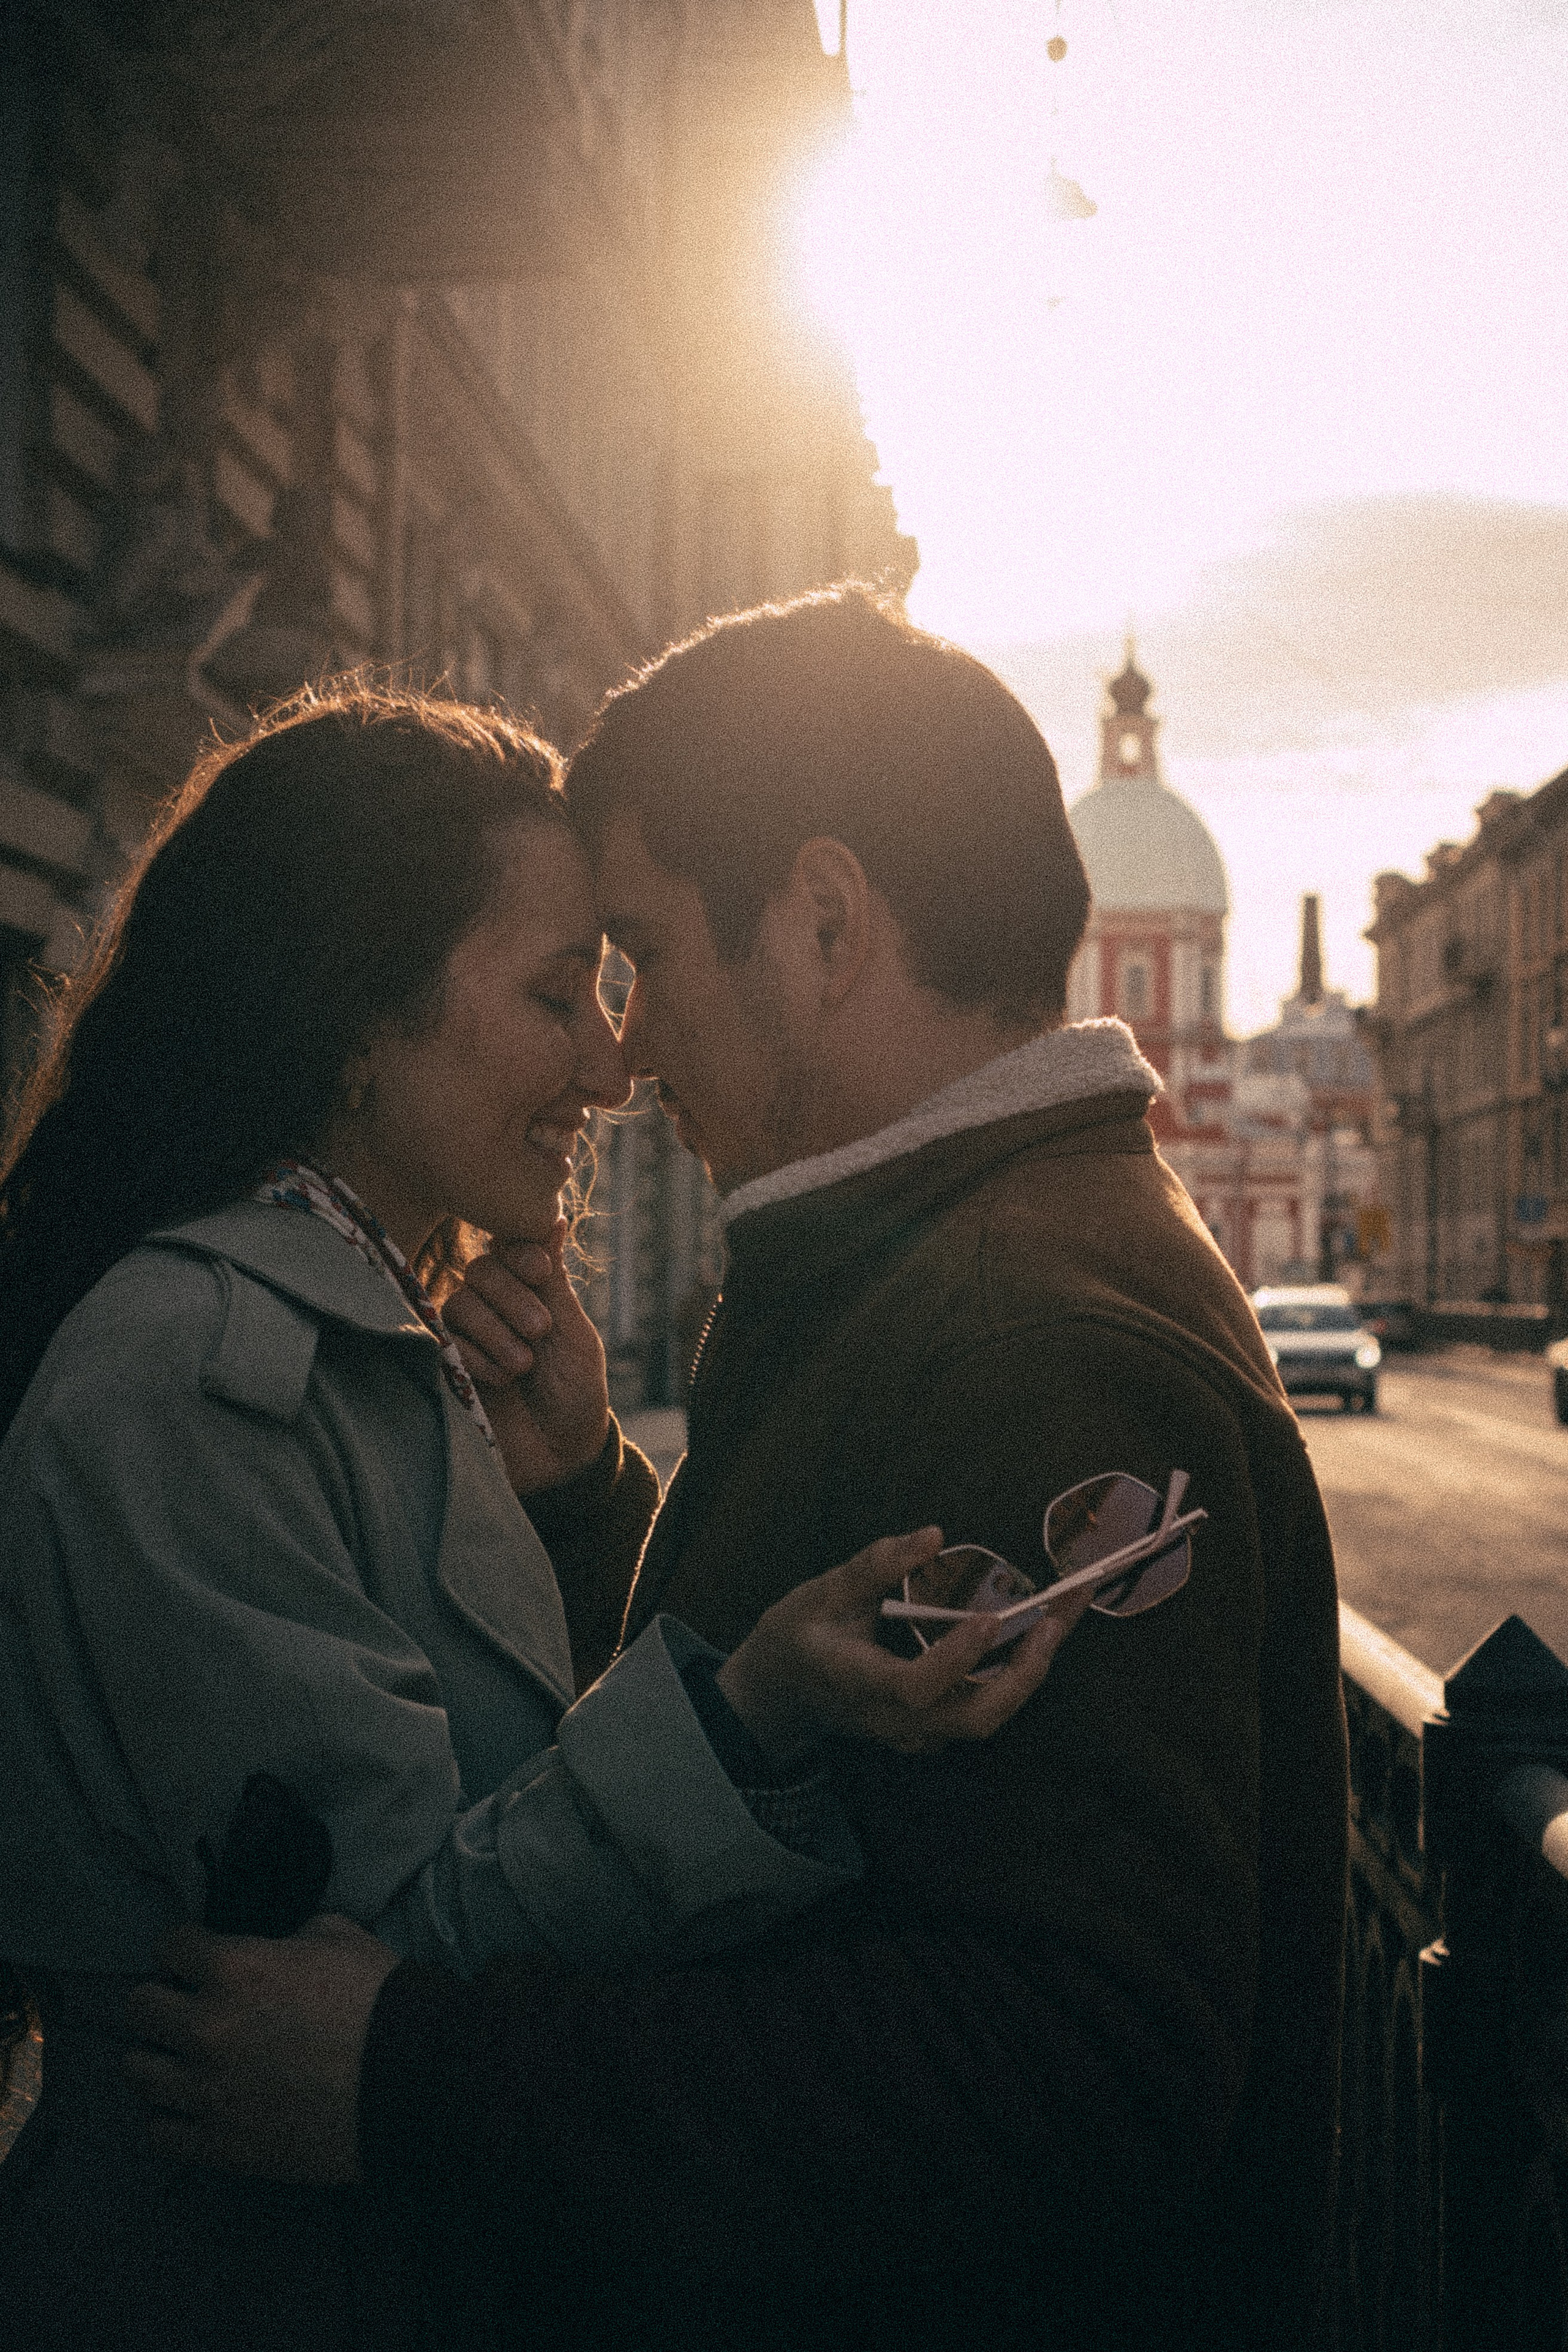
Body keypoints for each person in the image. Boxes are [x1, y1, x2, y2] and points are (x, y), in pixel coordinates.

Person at [124, 594, 1349, 2352]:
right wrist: (597, 1507)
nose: (623, 1056)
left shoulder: (1033, 1336)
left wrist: (413, 2073)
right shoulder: (975, 1259)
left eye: (641, 953)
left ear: (825, 920)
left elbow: (1078, 2066)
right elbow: (878, 1787)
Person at [0, 679, 1074, 2352]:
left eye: (617, 985)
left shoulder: (374, 1336)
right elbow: (368, 1987)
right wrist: (747, 1715)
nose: (611, 1061)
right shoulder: (201, 1379)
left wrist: (575, 1497)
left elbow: (490, 1804)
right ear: (359, 1023)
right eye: (559, 992)